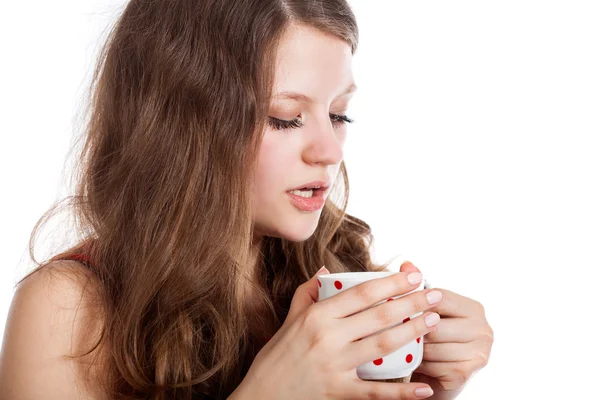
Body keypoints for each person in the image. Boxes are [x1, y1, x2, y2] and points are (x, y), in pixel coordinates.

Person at [0, 0, 494, 399]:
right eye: (284, 118)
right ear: (181, 126)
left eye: (340, 115)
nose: (329, 151)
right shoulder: (68, 309)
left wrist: (421, 386)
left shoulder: (335, 272)